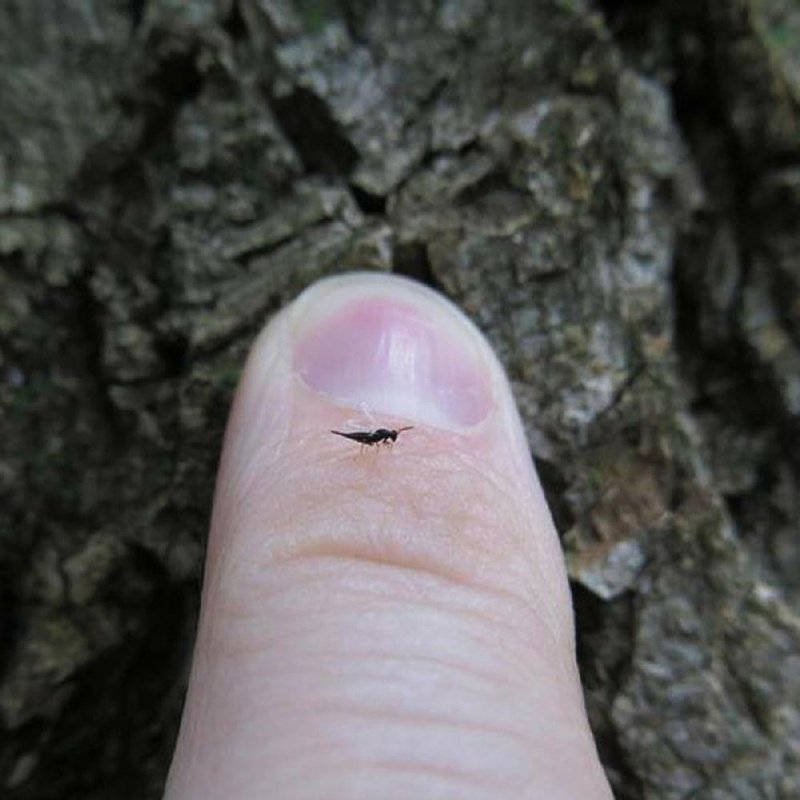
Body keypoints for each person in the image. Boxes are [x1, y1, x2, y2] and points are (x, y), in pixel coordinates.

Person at [165, 273, 613, 798]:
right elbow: (371, 440)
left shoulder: (383, 435)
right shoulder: (375, 434)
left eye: (393, 434)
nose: (392, 436)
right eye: (394, 433)